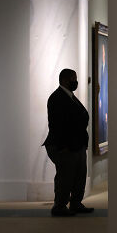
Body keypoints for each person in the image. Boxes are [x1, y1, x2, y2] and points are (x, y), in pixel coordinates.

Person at [43, 68, 93, 217]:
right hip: (65, 146)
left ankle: (76, 203)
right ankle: (59, 206)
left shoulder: (70, 96)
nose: (75, 82)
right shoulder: (56, 98)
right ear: (64, 80)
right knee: (65, 177)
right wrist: (63, 146)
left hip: (77, 145)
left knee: (79, 176)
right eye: (73, 79)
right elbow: (57, 125)